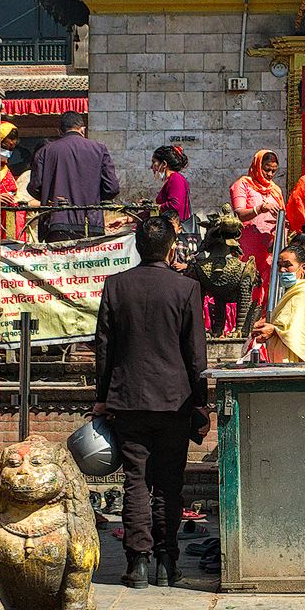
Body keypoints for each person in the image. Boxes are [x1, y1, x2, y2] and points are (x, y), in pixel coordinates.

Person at [93, 212, 210, 589]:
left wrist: (101, 397)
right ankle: (166, 561)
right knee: (168, 484)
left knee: (135, 482)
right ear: (170, 247)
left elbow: (104, 349)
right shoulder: (185, 288)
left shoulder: (116, 286)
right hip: (175, 400)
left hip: (127, 399)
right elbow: (196, 354)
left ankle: (137, 562)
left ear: (137, 246)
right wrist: (201, 402)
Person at [28, 112, 120, 243]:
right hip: (91, 224)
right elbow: (112, 188)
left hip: (56, 225)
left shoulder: (45, 151)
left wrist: (51, 195)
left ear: (60, 131)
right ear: (83, 129)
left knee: (59, 263)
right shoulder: (99, 149)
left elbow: (35, 187)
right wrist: (92, 196)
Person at [254, 230, 305, 363]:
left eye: (287, 265)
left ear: (303, 267)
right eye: (279, 266)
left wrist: (273, 330)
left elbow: (303, 331)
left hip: (303, 358)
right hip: (283, 355)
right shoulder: (289, 292)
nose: (282, 270)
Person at [229, 147, 284, 312]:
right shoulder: (243, 184)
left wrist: (280, 237)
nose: (270, 174)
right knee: (247, 283)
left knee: (268, 286)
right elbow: (239, 214)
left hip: (269, 247)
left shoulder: (275, 190)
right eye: (266, 170)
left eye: (273, 171)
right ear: (257, 166)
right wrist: (260, 208)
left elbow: (281, 215)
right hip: (248, 245)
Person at [151, 142, 191, 224]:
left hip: (175, 229)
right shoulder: (172, 179)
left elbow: (174, 205)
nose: (152, 167)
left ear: (164, 164)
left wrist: (156, 207)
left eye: (154, 162)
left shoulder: (175, 179)